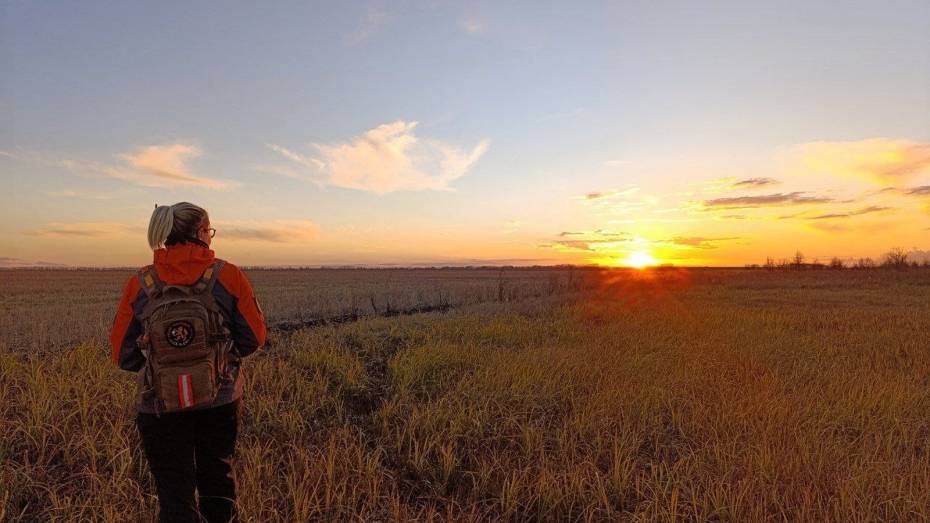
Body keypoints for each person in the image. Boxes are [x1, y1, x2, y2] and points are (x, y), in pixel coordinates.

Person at [110, 202, 266, 522]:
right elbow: (254, 337)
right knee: (217, 481)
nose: (210, 237)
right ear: (199, 233)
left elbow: (121, 353)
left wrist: (161, 368)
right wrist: (219, 363)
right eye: (208, 231)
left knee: (174, 493)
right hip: (219, 400)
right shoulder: (229, 276)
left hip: (159, 406)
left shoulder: (140, 283)